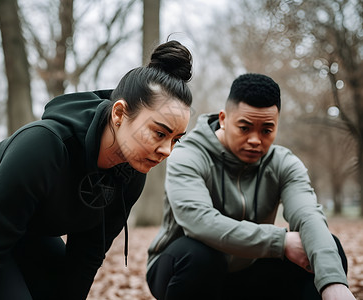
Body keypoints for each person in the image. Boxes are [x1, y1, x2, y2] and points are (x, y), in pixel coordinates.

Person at [0, 40, 193, 300]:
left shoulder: (131, 172)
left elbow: (86, 257)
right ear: (119, 114)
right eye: (159, 133)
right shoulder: (44, 146)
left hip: (23, 228)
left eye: (175, 140)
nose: (167, 150)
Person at [146, 73, 355, 300]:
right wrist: (280, 241)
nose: (255, 139)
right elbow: (200, 221)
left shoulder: (283, 163)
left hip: (250, 272)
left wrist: (333, 283)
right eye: (245, 128)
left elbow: (308, 216)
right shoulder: (189, 154)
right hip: (181, 269)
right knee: (200, 255)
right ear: (224, 119)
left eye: (266, 130)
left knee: (324, 247)